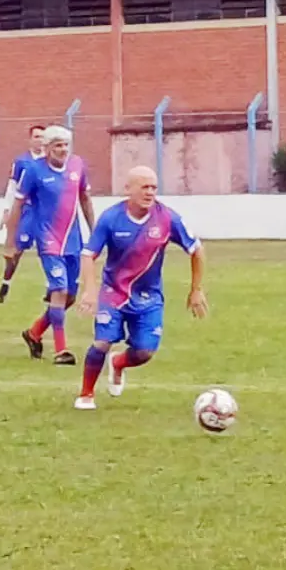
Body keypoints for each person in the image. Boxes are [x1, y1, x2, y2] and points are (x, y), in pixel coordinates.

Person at [74, 165, 207, 410]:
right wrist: (90, 290)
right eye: (144, 187)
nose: (150, 192)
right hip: (113, 292)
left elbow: (196, 249)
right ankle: (86, 395)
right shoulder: (111, 218)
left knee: (145, 352)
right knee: (102, 342)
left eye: (154, 187)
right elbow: (88, 254)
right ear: (128, 189)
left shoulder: (168, 218)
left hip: (149, 296)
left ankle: (118, 364)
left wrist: (196, 289)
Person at [3, 124, 95, 366]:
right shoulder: (34, 171)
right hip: (48, 239)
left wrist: (95, 232)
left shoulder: (78, 166)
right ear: (47, 149)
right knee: (59, 290)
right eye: (57, 145)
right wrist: (10, 242)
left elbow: (85, 199)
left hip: (74, 241)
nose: (63, 150)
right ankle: (61, 351)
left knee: (70, 297)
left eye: (66, 145)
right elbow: (18, 206)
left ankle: (34, 333)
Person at [0, 124, 46, 302]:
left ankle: (52, 287)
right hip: (28, 211)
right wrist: (7, 211)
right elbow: (13, 187)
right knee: (16, 251)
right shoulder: (22, 162)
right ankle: (5, 284)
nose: (40, 140)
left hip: (46, 211)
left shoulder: (50, 162)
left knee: (49, 250)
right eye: (37, 137)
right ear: (30, 139)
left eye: (42, 137)